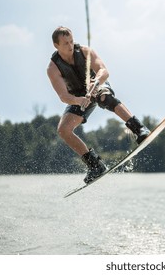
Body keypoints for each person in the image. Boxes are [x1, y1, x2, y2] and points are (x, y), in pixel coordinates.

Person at [47, 26, 150, 184]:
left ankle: (139, 129)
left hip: (97, 86)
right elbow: (63, 96)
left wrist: (96, 81)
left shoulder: (85, 51)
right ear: (56, 46)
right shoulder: (53, 68)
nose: (70, 46)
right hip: (78, 97)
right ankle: (95, 164)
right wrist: (78, 100)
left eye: (71, 41)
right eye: (65, 43)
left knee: (104, 97)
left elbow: (103, 70)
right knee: (63, 130)